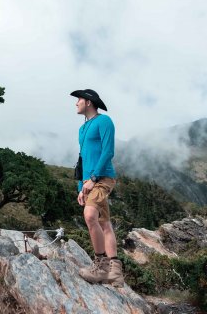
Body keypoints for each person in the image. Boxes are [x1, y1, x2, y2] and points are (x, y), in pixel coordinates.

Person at [70, 89, 124, 287]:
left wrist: (93, 179)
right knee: (104, 223)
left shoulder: (104, 121)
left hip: (103, 178)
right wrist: (80, 187)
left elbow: (108, 151)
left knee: (90, 216)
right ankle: (115, 273)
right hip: (88, 182)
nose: (76, 103)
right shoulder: (82, 129)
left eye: (79, 100)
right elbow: (82, 159)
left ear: (89, 102)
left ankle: (100, 267)